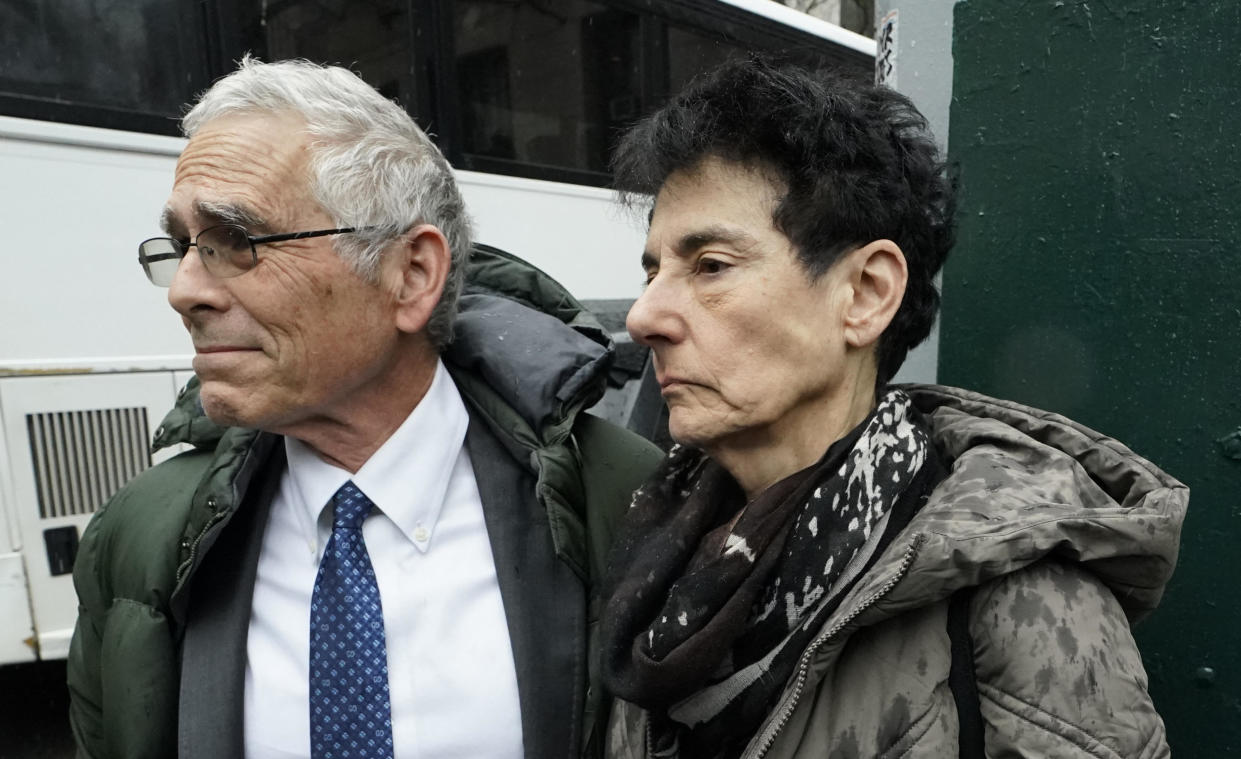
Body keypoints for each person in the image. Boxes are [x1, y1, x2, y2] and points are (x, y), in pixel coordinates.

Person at [67, 57, 661, 759]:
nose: (185, 290)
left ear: (410, 274)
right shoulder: (136, 535)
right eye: (182, 246)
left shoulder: (629, 497)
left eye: (237, 241)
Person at [600, 58, 1186, 759]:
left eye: (710, 266)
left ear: (866, 293)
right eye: (651, 270)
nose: (644, 315)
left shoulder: (1022, 604)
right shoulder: (648, 552)